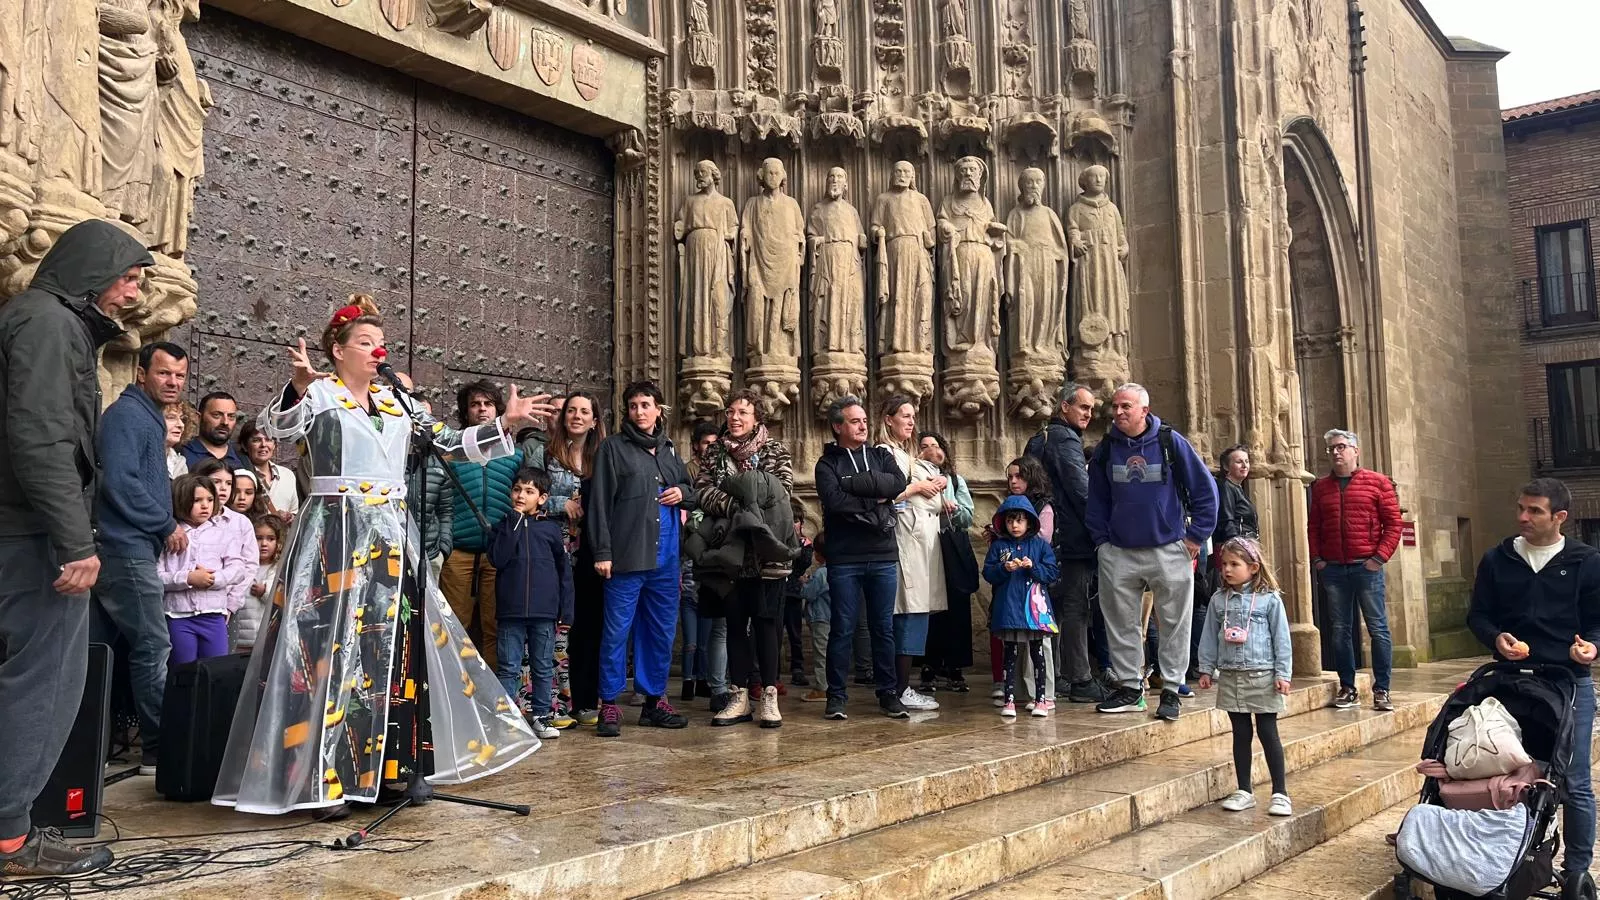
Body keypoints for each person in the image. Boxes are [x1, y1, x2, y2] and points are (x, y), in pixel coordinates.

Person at [213, 295, 553, 815]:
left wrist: (505, 424)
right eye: (366, 343)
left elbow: (450, 442)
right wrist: (300, 385)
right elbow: (278, 427)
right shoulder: (320, 395)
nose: (378, 351)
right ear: (337, 350)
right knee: (326, 650)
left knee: (389, 652)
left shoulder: (398, 402)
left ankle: (387, 769)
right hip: (334, 530)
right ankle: (317, 778)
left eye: (380, 343)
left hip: (389, 535)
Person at [0, 218, 148, 877]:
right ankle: (10, 838)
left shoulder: (37, 321)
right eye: (130, 278)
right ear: (93, 271)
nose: (135, 294)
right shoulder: (48, 324)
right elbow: (41, 441)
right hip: (33, 538)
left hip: (24, 531)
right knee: (47, 681)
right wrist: (75, 543)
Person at [1466, 478, 1600, 886]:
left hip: (1568, 682)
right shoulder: (1498, 559)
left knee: (1573, 779)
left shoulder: (1587, 561)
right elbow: (1479, 615)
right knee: (1499, 772)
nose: (1522, 517)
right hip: (1509, 683)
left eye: (1534, 511)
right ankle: (1501, 854)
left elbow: (1597, 624)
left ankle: (1576, 869)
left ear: (1559, 517)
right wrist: (1496, 639)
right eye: (1521, 508)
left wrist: (1592, 648)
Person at [1087, 383, 1218, 722]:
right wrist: (1102, 542)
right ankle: (1131, 688)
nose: (1117, 412)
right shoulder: (1106, 448)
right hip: (1119, 550)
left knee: (1174, 622)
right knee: (1120, 622)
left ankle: (1172, 689)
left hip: (1168, 548)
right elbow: (1097, 497)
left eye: (1125, 406)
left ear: (1144, 410)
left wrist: (1194, 539)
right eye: (1115, 407)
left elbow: (1205, 490)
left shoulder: (1170, 442)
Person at [93, 339, 189, 777]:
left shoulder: (145, 416)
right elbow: (119, 481)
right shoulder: (129, 416)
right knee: (153, 645)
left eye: (180, 375)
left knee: (104, 649)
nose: (172, 382)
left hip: (129, 546)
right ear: (141, 373)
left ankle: (97, 743)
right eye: (164, 372)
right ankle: (157, 748)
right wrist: (164, 523)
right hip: (124, 547)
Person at [588, 381, 694, 738]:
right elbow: (599, 504)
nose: (639, 411)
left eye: (646, 405)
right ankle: (610, 705)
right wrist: (602, 552)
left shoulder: (669, 450)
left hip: (665, 561)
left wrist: (683, 492)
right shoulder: (612, 449)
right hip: (626, 558)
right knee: (617, 632)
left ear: (659, 409)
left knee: (660, 633)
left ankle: (653, 702)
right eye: (633, 406)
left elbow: (688, 487)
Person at [696, 389, 796, 729]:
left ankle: (768, 694)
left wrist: (745, 498)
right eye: (730, 412)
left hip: (767, 554)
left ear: (757, 418)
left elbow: (781, 493)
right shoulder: (715, 452)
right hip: (730, 555)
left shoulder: (774, 450)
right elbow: (704, 491)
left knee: (767, 625)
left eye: (742, 412)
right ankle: (739, 696)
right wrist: (739, 506)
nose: (735, 418)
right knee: (734, 623)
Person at [814, 395, 910, 720]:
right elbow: (835, 501)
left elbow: (898, 484)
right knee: (842, 627)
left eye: (865, 421)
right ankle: (836, 696)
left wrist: (854, 487)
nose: (863, 426)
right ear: (838, 426)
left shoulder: (881, 454)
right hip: (844, 557)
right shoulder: (827, 464)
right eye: (855, 421)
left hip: (882, 554)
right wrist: (876, 499)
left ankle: (888, 694)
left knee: (883, 627)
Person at [1198, 537, 1293, 817]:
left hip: (1262, 676)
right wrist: (1206, 667)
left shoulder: (1269, 600)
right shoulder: (1218, 600)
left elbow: (1282, 639)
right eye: (1224, 564)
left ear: (1252, 567)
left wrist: (1282, 673)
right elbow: (1209, 638)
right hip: (1231, 677)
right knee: (1240, 733)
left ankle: (1280, 792)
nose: (1227, 569)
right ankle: (1244, 790)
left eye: (1234, 564)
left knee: (1268, 732)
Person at [1307, 428, 1401, 712]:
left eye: (1342, 447)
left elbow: (1393, 524)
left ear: (1355, 451)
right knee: (1339, 631)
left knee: (1378, 629)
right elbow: (1314, 526)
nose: (1336, 452)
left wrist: (1378, 558)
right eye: (1332, 448)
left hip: (1366, 567)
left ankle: (1382, 689)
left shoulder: (1378, 483)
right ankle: (1347, 687)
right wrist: (1318, 560)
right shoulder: (1321, 487)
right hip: (1334, 568)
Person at [526, 391, 605, 726]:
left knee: (588, 625)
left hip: (591, 551)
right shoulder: (545, 453)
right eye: (570, 410)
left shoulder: (603, 456)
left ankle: (586, 700)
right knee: (554, 626)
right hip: (552, 550)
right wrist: (561, 504)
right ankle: (551, 703)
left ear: (594, 420)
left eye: (584, 411)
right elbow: (525, 492)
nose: (576, 416)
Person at [1025, 382, 1105, 703]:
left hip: (1047, 536)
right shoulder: (1066, 439)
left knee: (1054, 607)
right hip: (1070, 536)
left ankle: (1055, 675)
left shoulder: (1040, 438)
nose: (1089, 414)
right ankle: (1081, 679)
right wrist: (1101, 529)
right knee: (1075, 606)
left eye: (1092, 409)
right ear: (1064, 407)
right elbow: (1081, 490)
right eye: (1084, 407)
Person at [488, 467, 574, 741]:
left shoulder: (550, 530)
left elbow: (564, 572)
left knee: (542, 665)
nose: (521, 495)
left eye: (529, 491)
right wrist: (513, 523)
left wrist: (566, 609)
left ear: (543, 498)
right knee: (509, 667)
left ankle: (540, 715)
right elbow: (497, 559)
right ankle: (505, 719)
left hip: (544, 611)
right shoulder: (503, 526)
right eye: (517, 490)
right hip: (511, 610)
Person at [877, 396, 948, 712]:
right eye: (904, 415)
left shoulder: (907, 455)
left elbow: (935, 497)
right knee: (908, 612)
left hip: (920, 542)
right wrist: (919, 489)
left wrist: (934, 484)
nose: (911, 421)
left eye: (913, 416)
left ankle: (902, 686)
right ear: (888, 419)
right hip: (905, 543)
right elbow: (888, 496)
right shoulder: (884, 453)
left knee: (916, 614)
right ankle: (899, 687)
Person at [160, 475, 252, 665]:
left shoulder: (224, 534)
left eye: (210, 500)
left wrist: (214, 579)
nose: (205, 506)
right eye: (197, 500)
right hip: (177, 616)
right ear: (181, 501)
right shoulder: (170, 536)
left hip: (214, 616)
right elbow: (157, 576)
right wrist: (188, 578)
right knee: (183, 671)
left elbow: (238, 568)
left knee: (216, 670)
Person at [983, 496, 1060, 718]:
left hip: (1034, 611)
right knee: (1010, 654)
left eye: (1019, 521)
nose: (1015, 525)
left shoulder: (1040, 546)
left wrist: (1033, 567)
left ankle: (1041, 700)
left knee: (1038, 654)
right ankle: (1009, 700)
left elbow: (1052, 572)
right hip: (1009, 610)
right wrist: (1003, 568)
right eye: (1010, 521)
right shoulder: (999, 546)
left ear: (1029, 522)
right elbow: (988, 573)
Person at [917, 431, 975, 693]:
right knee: (929, 608)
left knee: (956, 607)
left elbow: (967, 517)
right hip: (925, 548)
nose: (930, 449)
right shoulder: (913, 477)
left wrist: (954, 508)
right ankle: (928, 665)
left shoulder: (954, 479)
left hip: (950, 547)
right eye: (924, 446)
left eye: (934, 445)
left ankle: (955, 666)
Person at [997, 455, 1055, 705]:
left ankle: (1044, 694)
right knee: (1014, 642)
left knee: (1039, 643)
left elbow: (1045, 542)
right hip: (1012, 588)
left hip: (1035, 588)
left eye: (1018, 476)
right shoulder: (1008, 507)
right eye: (1009, 476)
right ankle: (1019, 692)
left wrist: (1028, 561)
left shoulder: (1043, 506)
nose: (1013, 481)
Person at [192, 460, 262, 634]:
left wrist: (231, 604)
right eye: (216, 482)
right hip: (190, 604)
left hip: (228, 605)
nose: (223, 488)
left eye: (229, 483)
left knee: (221, 659)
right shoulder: (189, 521)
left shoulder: (240, 523)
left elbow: (249, 566)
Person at [233, 513, 286, 653]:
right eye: (258, 538)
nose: (264, 544)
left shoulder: (279, 569)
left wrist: (265, 591)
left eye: (270, 539)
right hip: (240, 638)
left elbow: (283, 601)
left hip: (265, 640)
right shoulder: (241, 567)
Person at [238, 418, 301, 517]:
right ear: (244, 446)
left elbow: (295, 511)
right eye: (256, 440)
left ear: (274, 445)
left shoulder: (287, 475)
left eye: (268, 439)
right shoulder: (239, 477)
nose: (263, 445)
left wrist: (289, 517)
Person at [178, 391, 249, 471]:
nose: (225, 422)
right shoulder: (181, 453)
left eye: (231, 416)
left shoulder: (243, 459)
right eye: (216, 415)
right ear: (198, 418)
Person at [800, 532, 832, 702]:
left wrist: (804, 583)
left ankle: (822, 687)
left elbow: (810, 594)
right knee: (832, 653)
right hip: (834, 617)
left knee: (821, 654)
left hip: (821, 618)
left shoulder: (821, 573)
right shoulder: (838, 571)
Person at [165, 404, 188, 479]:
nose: (181, 425)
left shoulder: (180, 462)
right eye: (171, 418)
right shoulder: (139, 457)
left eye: (182, 419)